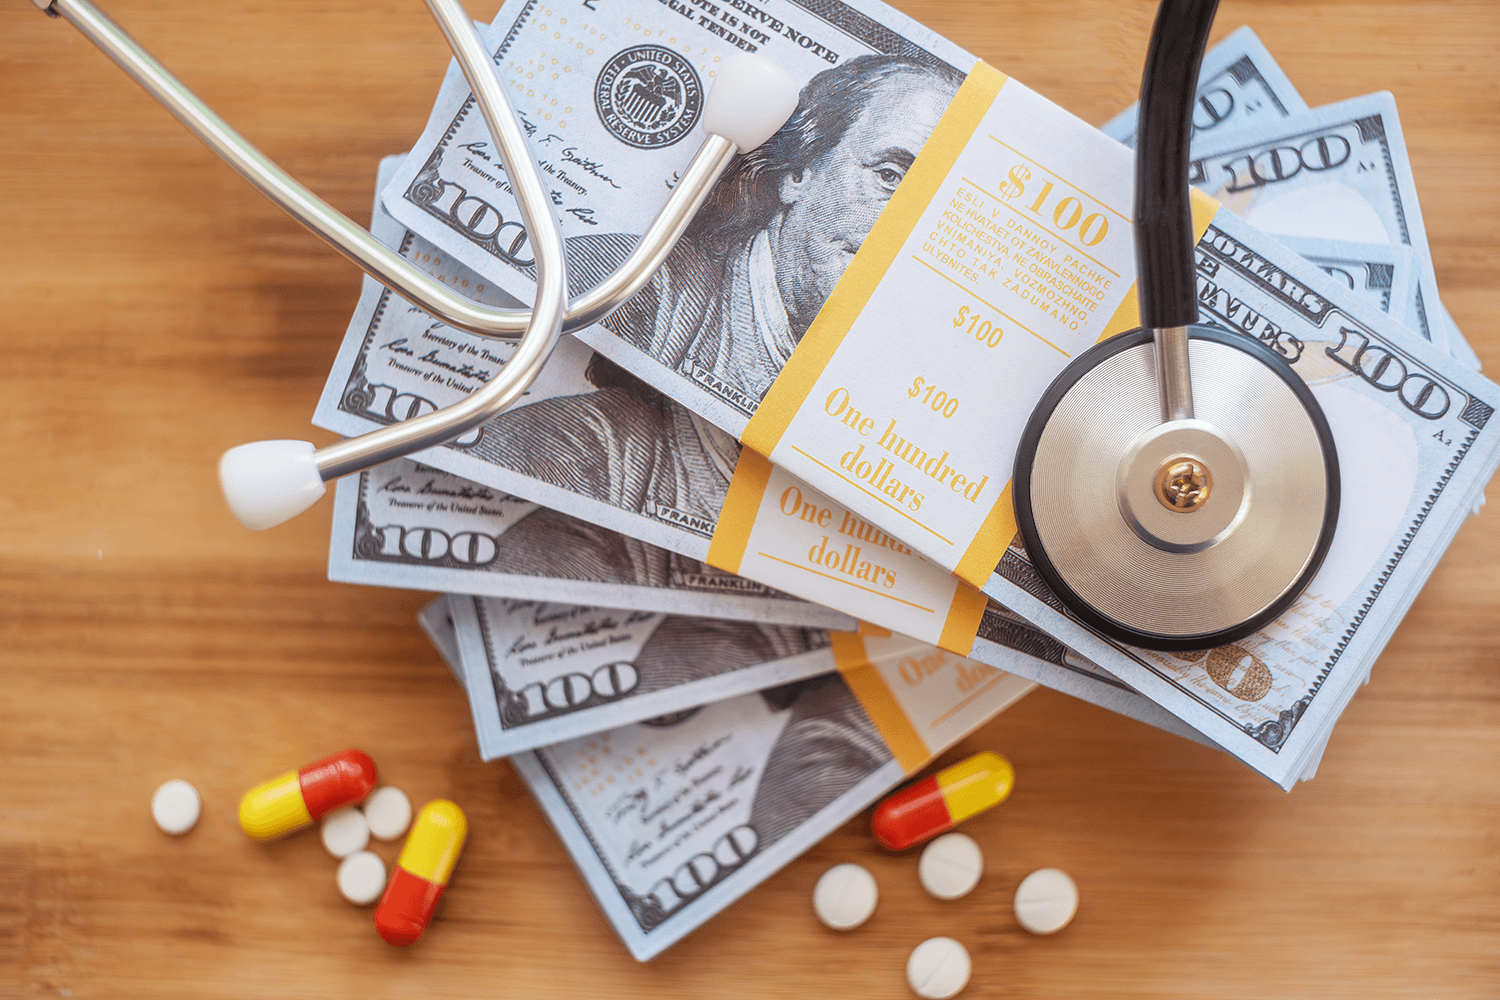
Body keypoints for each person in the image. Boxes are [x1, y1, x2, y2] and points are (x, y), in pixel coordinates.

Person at [600, 54, 965, 410]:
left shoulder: (892, 382)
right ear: (799, 172)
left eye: (935, 209)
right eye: (888, 175)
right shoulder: (626, 282)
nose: (906, 228)